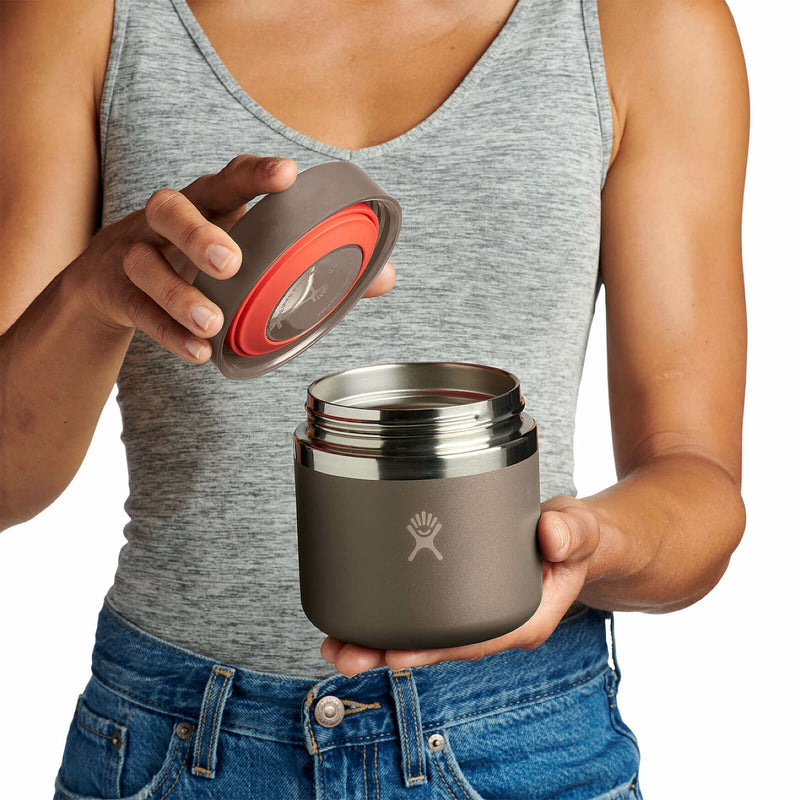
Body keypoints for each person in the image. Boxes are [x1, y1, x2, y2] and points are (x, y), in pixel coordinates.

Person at [0, 0, 748, 797]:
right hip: (173, 744)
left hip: (520, 739)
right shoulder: (80, 16)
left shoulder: (646, 22)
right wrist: (87, 297)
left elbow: (697, 486)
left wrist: (589, 545)